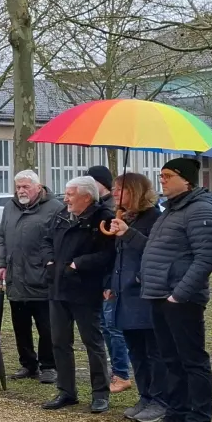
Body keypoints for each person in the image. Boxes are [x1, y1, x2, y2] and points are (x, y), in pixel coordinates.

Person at [138, 157, 212, 422]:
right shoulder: (170, 210)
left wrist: (180, 293)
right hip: (160, 294)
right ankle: (176, 416)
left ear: (186, 179)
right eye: (161, 174)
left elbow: (205, 259)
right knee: (171, 359)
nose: (162, 179)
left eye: (168, 175)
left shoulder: (200, 209)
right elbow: (160, 251)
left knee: (192, 361)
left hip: (180, 298)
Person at [42, 177, 117, 412]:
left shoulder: (103, 218)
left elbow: (108, 254)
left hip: (85, 289)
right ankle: (66, 391)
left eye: (70, 194)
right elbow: (46, 239)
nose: (65, 199)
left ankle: (100, 393)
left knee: (92, 342)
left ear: (86, 196)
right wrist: (49, 261)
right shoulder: (62, 215)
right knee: (60, 342)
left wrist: (78, 264)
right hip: (58, 287)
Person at [103, 173, 168, 422]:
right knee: (136, 351)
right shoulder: (124, 217)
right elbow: (117, 258)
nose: (116, 194)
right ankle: (146, 394)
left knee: (153, 351)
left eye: (121, 189)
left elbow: (154, 250)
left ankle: (160, 400)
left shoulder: (154, 218)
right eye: (114, 189)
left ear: (136, 191)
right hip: (124, 293)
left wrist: (128, 233)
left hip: (144, 293)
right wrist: (109, 283)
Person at [0, 170, 64, 383]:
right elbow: (3, 238)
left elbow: (59, 242)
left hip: (42, 277)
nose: (21, 191)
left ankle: (49, 365)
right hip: (16, 277)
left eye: (26, 186)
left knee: (47, 326)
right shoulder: (10, 207)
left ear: (38, 186)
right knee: (20, 325)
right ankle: (28, 364)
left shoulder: (55, 208)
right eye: (18, 187)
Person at [88, 165, 133, 392]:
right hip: (104, 277)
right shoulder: (103, 208)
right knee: (106, 325)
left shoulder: (111, 211)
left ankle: (121, 373)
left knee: (114, 326)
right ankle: (118, 371)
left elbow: (114, 251)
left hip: (114, 279)